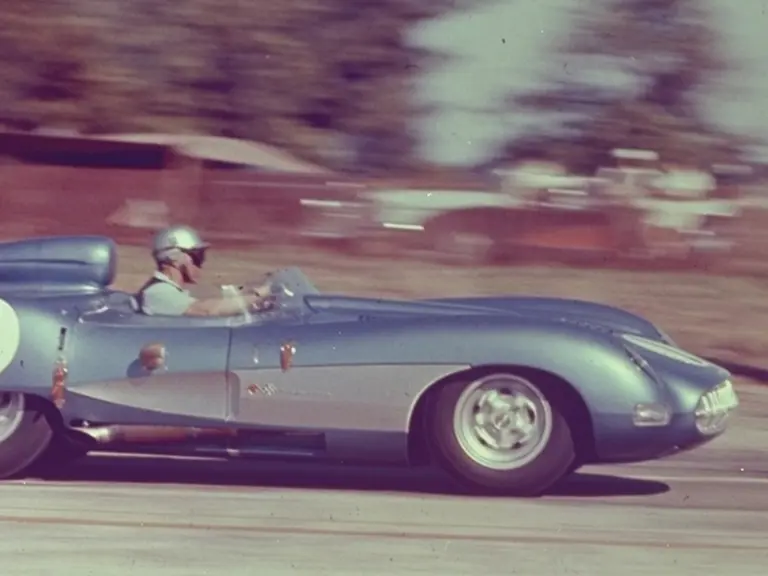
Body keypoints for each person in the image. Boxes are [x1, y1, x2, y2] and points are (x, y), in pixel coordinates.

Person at [134, 224, 272, 316]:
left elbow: (217, 296)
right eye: (197, 257)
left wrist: (254, 290)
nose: (200, 264)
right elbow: (205, 310)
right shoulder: (157, 292)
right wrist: (259, 296)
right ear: (174, 257)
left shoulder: (171, 290)